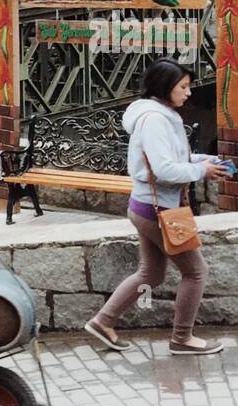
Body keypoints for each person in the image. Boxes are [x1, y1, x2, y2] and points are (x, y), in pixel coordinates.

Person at [85, 59, 230, 357]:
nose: (188, 93)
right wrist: (200, 171)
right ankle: (182, 338)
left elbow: (171, 159)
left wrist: (204, 162)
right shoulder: (155, 120)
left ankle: (103, 321)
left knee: (151, 273)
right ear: (166, 87)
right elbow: (164, 169)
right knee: (197, 272)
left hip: (146, 206)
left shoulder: (160, 116)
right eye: (183, 87)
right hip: (158, 210)